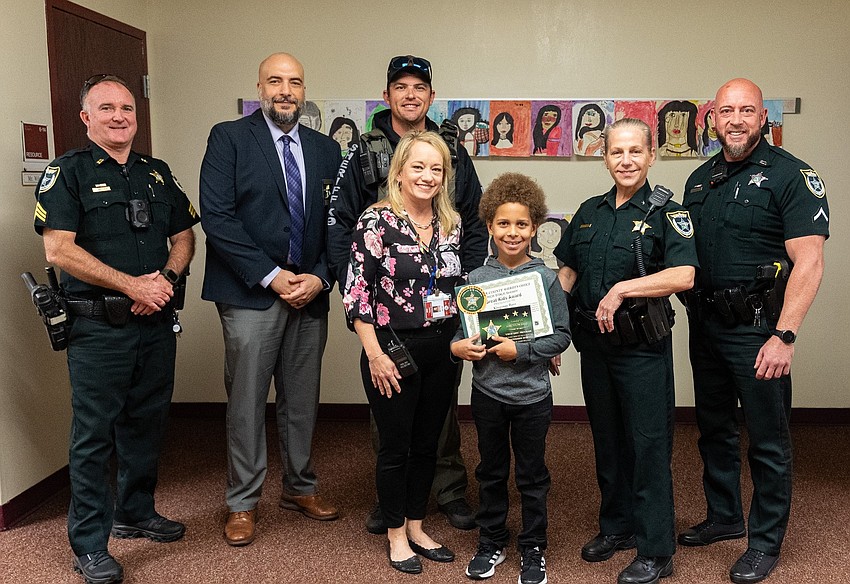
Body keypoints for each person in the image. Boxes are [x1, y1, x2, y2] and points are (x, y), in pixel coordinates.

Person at [33, 74, 198, 584]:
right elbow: (58, 249)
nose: (120, 116)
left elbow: (184, 235)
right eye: (106, 108)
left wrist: (166, 281)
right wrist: (133, 286)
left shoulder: (156, 171)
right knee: (94, 436)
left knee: (147, 423)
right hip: (98, 329)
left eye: (127, 107)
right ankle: (88, 544)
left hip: (154, 320)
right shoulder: (68, 173)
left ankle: (135, 512)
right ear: (86, 118)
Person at [679, 78, 829, 584]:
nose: (737, 120)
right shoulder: (699, 181)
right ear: (712, 119)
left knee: (768, 440)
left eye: (747, 110)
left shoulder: (791, 176)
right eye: (727, 111)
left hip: (760, 330)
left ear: (764, 118)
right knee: (714, 430)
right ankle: (725, 517)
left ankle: (765, 542)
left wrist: (784, 336)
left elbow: (808, 262)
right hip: (707, 327)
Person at [328, 54, 486, 533]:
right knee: (392, 417)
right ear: (388, 94)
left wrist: (467, 284)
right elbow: (341, 225)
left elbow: (473, 221)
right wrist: (357, 292)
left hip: (442, 318)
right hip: (389, 322)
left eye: (420, 87)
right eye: (401, 86)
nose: (411, 94)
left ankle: (449, 491)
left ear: (432, 97)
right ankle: (391, 503)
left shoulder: (452, 151)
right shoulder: (362, 152)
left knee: (440, 413)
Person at [199, 52, 342, 547]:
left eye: (295, 82)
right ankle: (242, 501)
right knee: (246, 401)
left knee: (301, 400)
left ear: (305, 90)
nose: (285, 90)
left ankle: (299, 487)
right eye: (275, 81)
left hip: (309, 294)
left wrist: (320, 278)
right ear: (258, 88)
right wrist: (271, 275)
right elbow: (217, 219)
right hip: (250, 293)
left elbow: (337, 227)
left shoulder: (327, 150)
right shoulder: (229, 138)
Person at [554, 118, 698, 584]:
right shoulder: (588, 211)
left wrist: (621, 290)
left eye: (636, 151)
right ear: (605, 157)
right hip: (594, 349)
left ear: (651, 155)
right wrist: (550, 330)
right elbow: (568, 273)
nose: (626, 160)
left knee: (649, 446)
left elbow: (684, 276)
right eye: (617, 152)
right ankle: (617, 528)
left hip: (641, 352)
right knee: (608, 441)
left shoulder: (667, 212)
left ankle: (657, 549)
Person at [343, 131, 463, 574]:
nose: (427, 176)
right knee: (395, 447)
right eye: (419, 166)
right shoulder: (375, 222)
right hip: (391, 349)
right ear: (399, 171)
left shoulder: (451, 223)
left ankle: (416, 524)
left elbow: (457, 290)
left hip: (442, 348)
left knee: (428, 443)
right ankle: (395, 533)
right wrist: (375, 355)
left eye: (436, 169)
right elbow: (357, 297)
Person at [452, 173, 571, 584]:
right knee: (490, 470)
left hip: (533, 396)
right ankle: (491, 541)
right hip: (487, 393)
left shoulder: (547, 278)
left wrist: (519, 351)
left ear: (535, 227)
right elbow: (459, 335)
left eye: (521, 224)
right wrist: (458, 348)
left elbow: (562, 336)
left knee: (532, 475)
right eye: (503, 224)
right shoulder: (474, 280)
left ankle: (534, 546)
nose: (512, 232)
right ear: (489, 226)